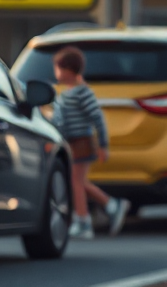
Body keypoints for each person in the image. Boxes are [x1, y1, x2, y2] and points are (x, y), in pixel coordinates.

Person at [52, 46, 130, 239]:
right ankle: (111, 205)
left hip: (82, 143)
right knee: (78, 181)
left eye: (58, 68)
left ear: (69, 70)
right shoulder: (68, 93)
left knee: (76, 182)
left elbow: (97, 118)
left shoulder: (82, 92)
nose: (56, 73)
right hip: (72, 143)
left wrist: (103, 145)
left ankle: (84, 221)